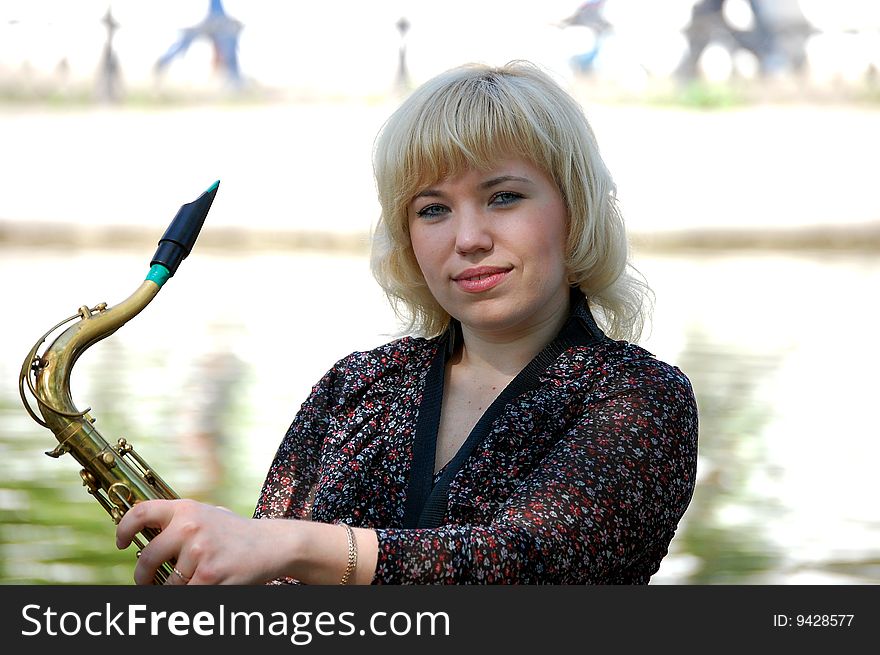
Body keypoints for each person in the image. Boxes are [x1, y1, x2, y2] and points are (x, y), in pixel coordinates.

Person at [116, 60, 699, 585]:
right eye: (433, 209)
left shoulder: (641, 397)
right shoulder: (355, 385)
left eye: (503, 198)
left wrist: (292, 543)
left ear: (577, 213)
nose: (468, 239)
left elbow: (524, 563)